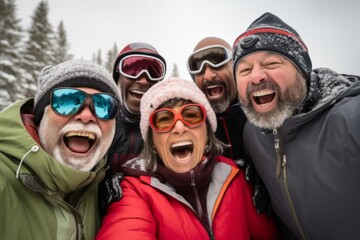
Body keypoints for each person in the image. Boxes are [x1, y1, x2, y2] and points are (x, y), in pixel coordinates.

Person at [96, 78, 280, 240]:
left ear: (207, 133)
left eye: (191, 115)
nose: (179, 127)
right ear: (152, 142)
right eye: (164, 119)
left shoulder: (237, 180)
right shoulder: (134, 192)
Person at [233, 12, 360, 239]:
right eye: (244, 70)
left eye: (271, 63)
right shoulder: (252, 134)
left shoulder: (349, 118)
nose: (256, 77)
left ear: (302, 71)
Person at [0, 59, 120, 240]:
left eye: (103, 105)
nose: (87, 116)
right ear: (40, 117)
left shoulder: (100, 187)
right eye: (67, 101)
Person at [187, 37, 271, 215]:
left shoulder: (266, 112)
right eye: (199, 68)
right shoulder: (192, 128)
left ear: (235, 67)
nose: (209, 75)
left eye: (217, 62)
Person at [99, 42, 167, 211]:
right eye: (132, 69)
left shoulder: (166, 129)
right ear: (117, 78)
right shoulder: (98, 122)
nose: (143, 79)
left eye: (153, 71)